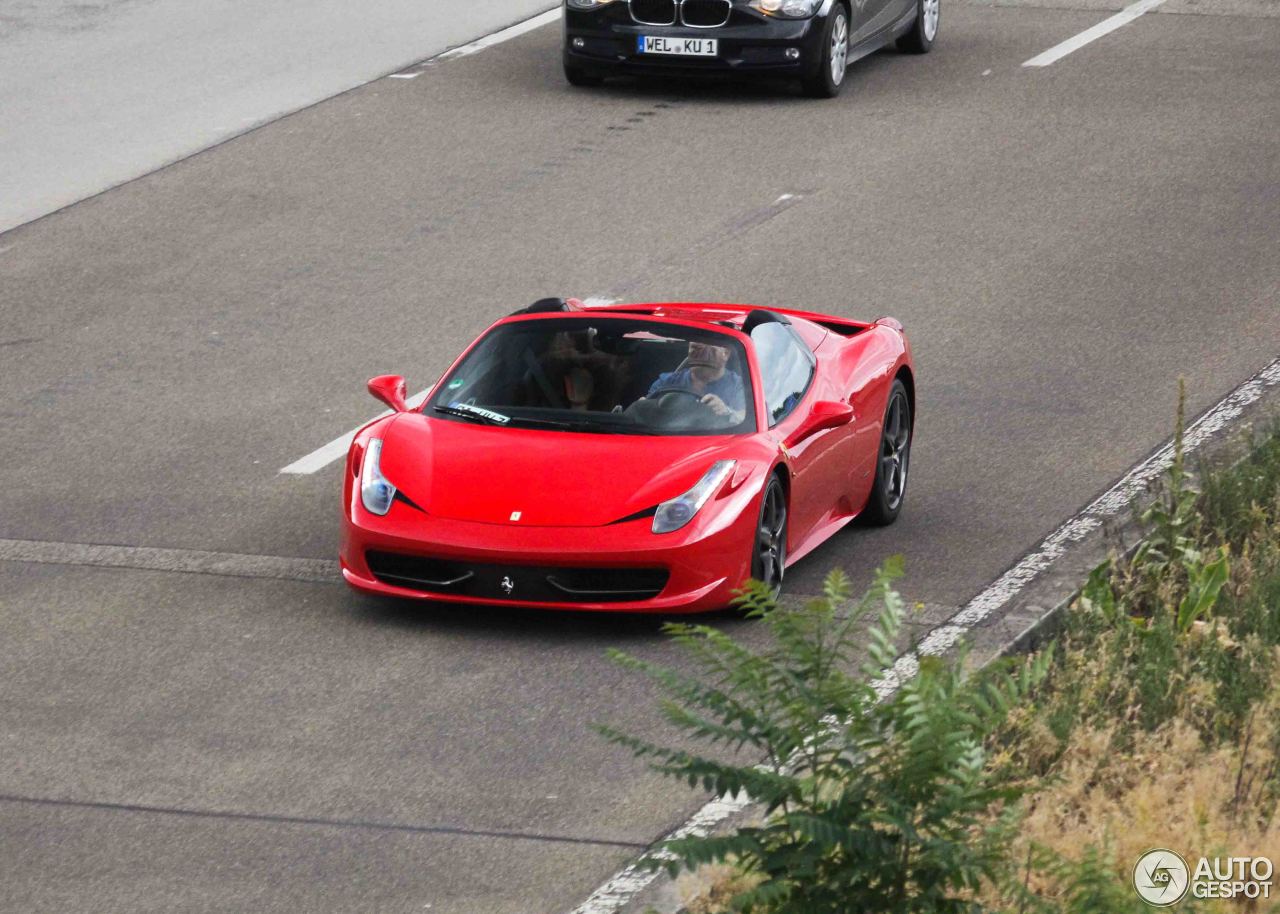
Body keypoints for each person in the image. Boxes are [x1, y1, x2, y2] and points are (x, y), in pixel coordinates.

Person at [645, 339, 746, 421]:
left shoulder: (739, 386)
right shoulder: (666, 382)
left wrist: (726, 412)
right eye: (695, 348)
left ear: (726, 354)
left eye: (709, 351)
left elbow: (748, 419)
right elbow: (643, 410)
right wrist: (644, 407)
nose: (702, 356)